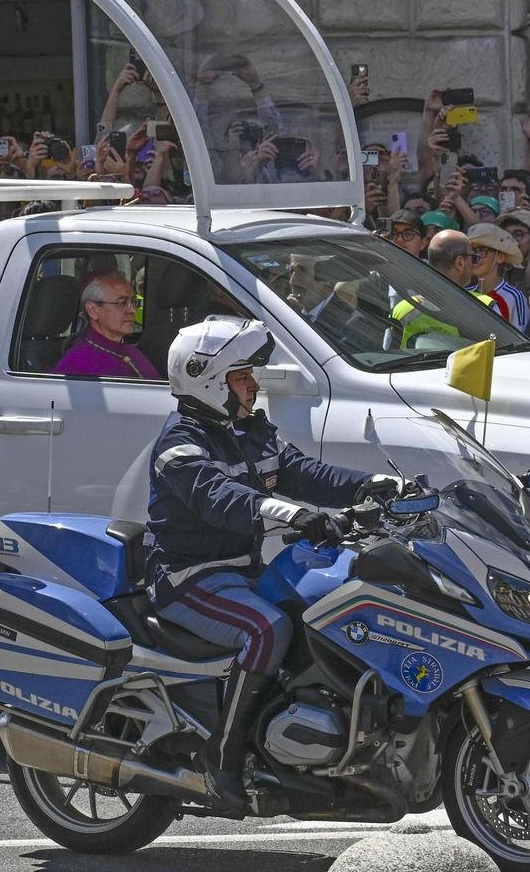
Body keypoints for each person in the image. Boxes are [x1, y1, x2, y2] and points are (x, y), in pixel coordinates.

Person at [147, 316, 405, 811]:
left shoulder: (248, 430)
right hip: (188, 578)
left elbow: (304, 471)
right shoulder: (180, 443)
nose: (251, 384)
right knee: (266, 629)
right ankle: (221, 759)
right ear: (206, 378)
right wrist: (294, 515)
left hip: (241, 572)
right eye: (241, 375)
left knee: (325, 609)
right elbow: (219, 498)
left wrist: (374, 485)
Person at [52, 274, 158, 378]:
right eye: (122, 303)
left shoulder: (128, 350)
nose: (133, 310)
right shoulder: (78, 361)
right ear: (93, 310)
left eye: (133, 302)